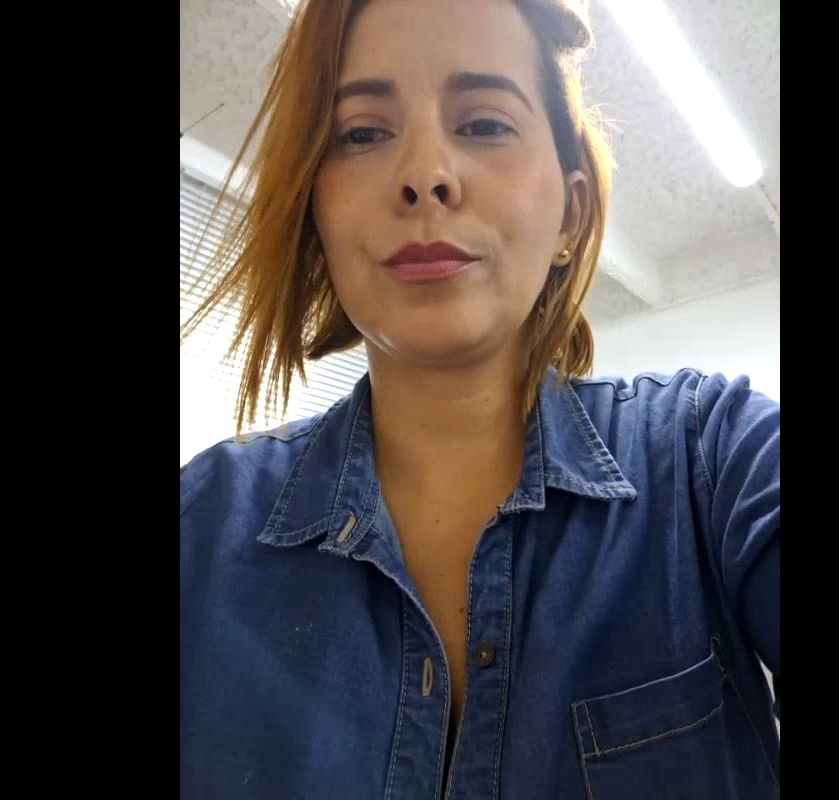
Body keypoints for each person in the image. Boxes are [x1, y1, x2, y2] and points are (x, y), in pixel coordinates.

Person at [179, 0, 780, 797]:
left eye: (485, 123)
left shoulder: (714, 457)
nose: (425, 173)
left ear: (570, 213)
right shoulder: (200, 525)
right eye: (361, 133)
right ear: (316, 212)